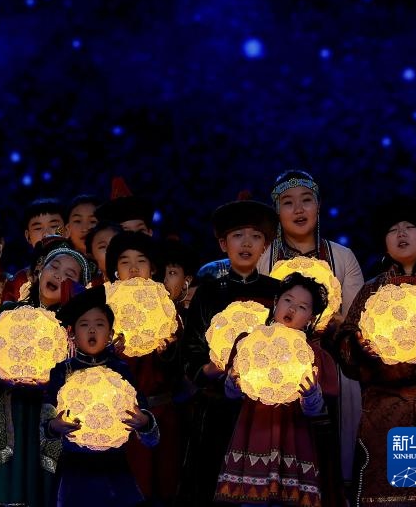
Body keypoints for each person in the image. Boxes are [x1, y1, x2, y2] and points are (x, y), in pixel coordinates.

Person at [330, 197, 416, 504]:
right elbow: (347, 341)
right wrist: (358, 347)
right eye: (393, 229)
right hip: (386, 410)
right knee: (394, 495)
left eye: (409, 227)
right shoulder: (373, 289)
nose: (401, 233)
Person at [257, 170, 365, 485]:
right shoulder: (265, 259)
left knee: (333, 461)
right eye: (288, 203)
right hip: (276, 367)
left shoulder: (342, 257)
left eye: (306, 200)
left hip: (333, 365)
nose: (299, 209)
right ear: (277, 211)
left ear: (318, 206)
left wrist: (331, 322)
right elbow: (256, 315)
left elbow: (357, 320)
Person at [179, 197, 280, 505]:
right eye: (238, 235)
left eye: (255, 236)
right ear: (223, 244)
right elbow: (191, 350)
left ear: (265, 246)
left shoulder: (277, 292)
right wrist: (210, 370)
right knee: (212, 483)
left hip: (265, 408)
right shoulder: (208, 293)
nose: (246, 243)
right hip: (218, 407)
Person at [0, 246, 90, 507]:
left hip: (47, 415)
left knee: (43, 486)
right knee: (7, 483)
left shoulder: (75, 329)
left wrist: (51, 379)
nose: (58, 275)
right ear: (38, 272)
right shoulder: (10, 313)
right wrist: (2, 374)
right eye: (53, 267)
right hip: (8, 409)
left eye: (69, 274)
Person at [215, 273, 341, 506]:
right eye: (287, 300)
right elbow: (231, 396)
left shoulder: (314, 356)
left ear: (311, 318)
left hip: (294, 433)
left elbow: (317, 412)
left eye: (302, 307)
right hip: (254, 429)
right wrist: (233, 382)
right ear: (276, 302)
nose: (292, 309)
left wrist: (311, 395)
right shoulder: (249, 344)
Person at [43, 286, 159, 506]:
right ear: (72, 334)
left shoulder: (120, 370)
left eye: (99, 324)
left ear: (110, 334)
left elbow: (146, 423)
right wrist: (53, 426)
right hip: (75, 469)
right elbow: (45, 421)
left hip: (115, 468)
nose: (92, 330)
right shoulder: (63, 370)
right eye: (84, 325)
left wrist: (144, 422)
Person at [105, 231, 184, 506]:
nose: (134, 268)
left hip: (161, 413)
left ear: (152, 269)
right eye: (125, 261)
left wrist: (168, 353)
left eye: (141, 260)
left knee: (162, 489)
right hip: (119, 417)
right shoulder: (103, 313)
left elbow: (180, 373)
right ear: (115, 270)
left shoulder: (167, 313)